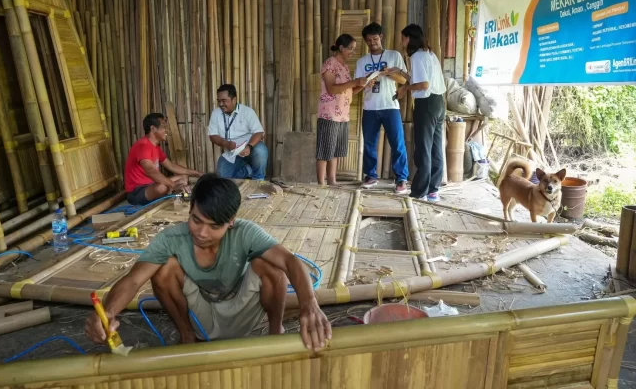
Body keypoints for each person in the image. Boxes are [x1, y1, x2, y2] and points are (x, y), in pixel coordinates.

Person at [84, 174, 332, 349]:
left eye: (214, 226)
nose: (202, 233)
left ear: (231, 221)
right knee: (163, 270)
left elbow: (290, 262)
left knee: (271, 265)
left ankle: (275, 331)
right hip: (200, 315)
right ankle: (187, 337)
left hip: (242, 310)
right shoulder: (171, 239)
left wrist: (309, 304)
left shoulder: (246, 232)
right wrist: (108, 313)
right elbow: (133, 280)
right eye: (196, 220)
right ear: (190, 209)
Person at [354, 22, 410, 195]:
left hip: (390, 106)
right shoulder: (362, 61)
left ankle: (401, 179)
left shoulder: (394, 55)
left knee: (397, 143)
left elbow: (404, 80)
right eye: (369, 40)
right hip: (370, 107)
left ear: (381, 37)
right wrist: (366, 83)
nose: (372, 43)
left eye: (375, 39)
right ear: (365, 41)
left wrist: (390, 73)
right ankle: (371, 176)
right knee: (369, 144)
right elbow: (357, 84)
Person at [393, 24, 447, 202]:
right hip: (438, 102)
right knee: (435, 148)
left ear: (410, 38)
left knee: (423, 148)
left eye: (403, 38)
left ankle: (420, 192)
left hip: (426, 104)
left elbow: (423, 85)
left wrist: (404, 88)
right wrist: (400, 73)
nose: (402, 42)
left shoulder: (416, 56)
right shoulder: (429, 54)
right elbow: (421, 79)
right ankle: (433, 190)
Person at [316, 34, 366, 185]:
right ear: (341, 48)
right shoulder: (330, 63)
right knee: (325, 151)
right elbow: (332, 89)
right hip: (329, 113)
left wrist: (362, 85)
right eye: (350, 48)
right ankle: (321, 184)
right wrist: (355, 82)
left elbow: (348, 91)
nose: (353, 52)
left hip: (343, 114)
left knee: (335, 150)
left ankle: (332, 181)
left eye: (354, 49)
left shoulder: (344, 67)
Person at [124, 113, 203, 205]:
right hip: (136, 192)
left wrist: (198, 173)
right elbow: (150, 171)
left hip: (151, 185)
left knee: (184, 177)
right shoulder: (143, 146)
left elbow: (171, 166)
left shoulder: (155, 147)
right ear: (153, 129)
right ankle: (168, 191)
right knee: (162, 187)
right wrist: (172, 184)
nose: (167, 130)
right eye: (163, 126)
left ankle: (170, 191)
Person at [208, 84, 268, 180]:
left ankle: (258, 179)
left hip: (250, 149)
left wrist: (249, 146)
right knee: (221, 179)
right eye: (219, 101)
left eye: (224, 101)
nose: (221, 104)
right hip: (231, 153)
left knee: (260, 150)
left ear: (234, 100)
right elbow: (212, 135)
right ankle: (248, 171)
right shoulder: (216, 113)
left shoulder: (247, 112)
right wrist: (226, 144)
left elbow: (259, 132)